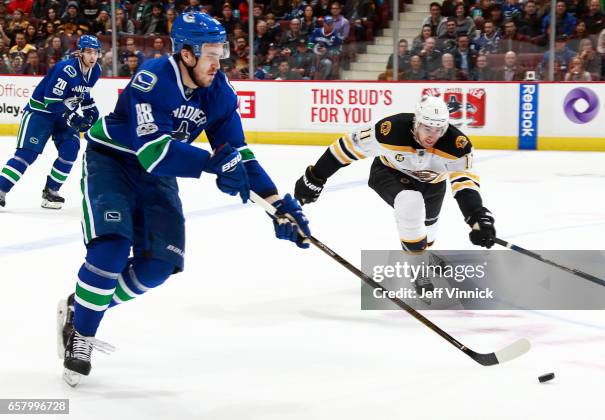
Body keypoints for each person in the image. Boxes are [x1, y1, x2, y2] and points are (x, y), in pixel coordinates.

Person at [57, 12, 310, 386]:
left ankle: (83, 307)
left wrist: (278, 204)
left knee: (158, 267)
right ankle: (82, 334)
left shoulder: (219, 92)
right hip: (114, 161)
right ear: (186, 53)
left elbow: (238, 152)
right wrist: (214, 164)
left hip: (159, 175)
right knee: (111, 248)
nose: (217, 62)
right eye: (210, 53)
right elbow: (152, 152)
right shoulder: (153, 78)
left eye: (220, 52)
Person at [293, 94, 495, 256]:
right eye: (427, 128)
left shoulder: (457, 145)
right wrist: (315, 178)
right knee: (410, 202)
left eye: (439, 129)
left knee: (429, 227)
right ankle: (418, 268)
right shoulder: (390, 130)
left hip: (433, 183)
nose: (433, 135)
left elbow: (464, 182)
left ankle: (423, 257)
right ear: (416, 123)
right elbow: (346, 147)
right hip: (389, 172)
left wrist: (477, 216)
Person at [0, 35, 101, 208]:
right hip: (41, 113)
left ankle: (51, 192)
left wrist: (90, 110)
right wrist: (73, 117)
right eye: (89, 52)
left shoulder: (95, 71)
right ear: (80, 53)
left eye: (96, 52)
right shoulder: (65, 69)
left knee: (70, 150)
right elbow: (51, 101)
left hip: (63, 114)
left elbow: (82, 93)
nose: (93, 56)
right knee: (27, 155)